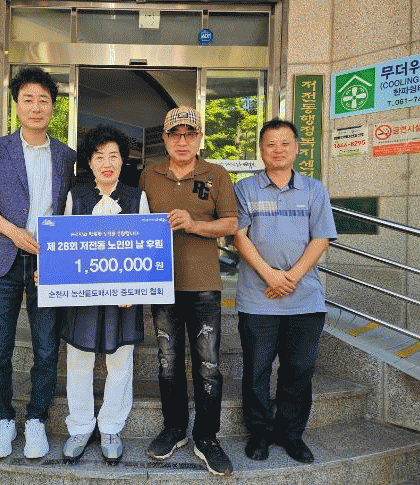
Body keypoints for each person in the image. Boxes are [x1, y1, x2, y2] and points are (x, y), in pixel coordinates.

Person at [0, 67, 77, 460]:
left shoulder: (66, 156)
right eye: (28, 99)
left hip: (48, 265)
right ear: (16, 105)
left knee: (47, 348)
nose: (35, 107)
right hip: (4, 260)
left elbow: (72, 209)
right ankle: (2, 419)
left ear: (53, 107)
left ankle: (36, 420)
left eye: (43, 100)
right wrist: (13, 232)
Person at [139, 106, 238, 476]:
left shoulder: (216, 174)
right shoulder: (149, 174)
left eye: (190, 134)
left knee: (208, 365)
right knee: (168, 362)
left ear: (199, 138)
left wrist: (194, 224)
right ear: (165, 139)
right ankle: (174, 428)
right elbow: (134, 223)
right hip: (161, 283)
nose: (182, 141)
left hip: (203, 285)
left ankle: (207, 437)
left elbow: (231, 223)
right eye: (175, 134)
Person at [233, 118, 337, 464]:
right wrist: (270, 276)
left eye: (284, 143)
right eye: (270, 144)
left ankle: (291, 434)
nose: (277, 150)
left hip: (305, 300)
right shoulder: (245, 189)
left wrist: (290, 276)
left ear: (296, 148)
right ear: (261, 150)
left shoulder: (314, 190)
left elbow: (320, 237)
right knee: (256, 371)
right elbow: (239, 237)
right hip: (258, 300)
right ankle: (259, 433)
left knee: (299, 370)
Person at [56, 124, 150, 465]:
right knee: (79, 360)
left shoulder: (137, 197)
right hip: (83, 296)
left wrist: (134, 288)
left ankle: (111, 427)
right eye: (99, 157)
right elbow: (64, 246)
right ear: (89, 162)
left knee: (120, 362)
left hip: (122, 297)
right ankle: (80, 426)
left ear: (123, 160)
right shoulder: (76, 196)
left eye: (113, 156)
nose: (106, 163)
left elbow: (146, 245)